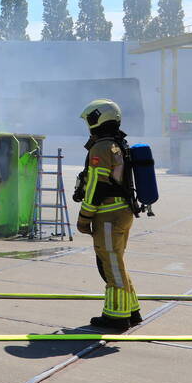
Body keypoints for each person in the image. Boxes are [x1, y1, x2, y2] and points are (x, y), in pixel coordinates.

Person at [74, 98, 141, 331]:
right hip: (121, 211)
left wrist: (84, 217)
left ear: (98, 118)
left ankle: (116, 317)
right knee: (116, 263)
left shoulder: (102, 147)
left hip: (109, 214)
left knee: (111, 265)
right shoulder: (117, 143)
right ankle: (131, 310)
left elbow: (96, 185)